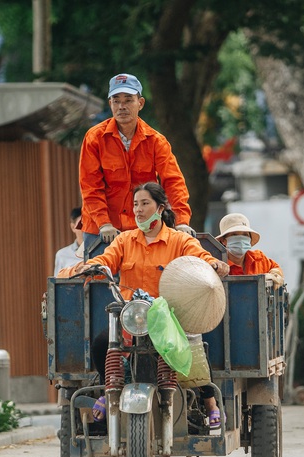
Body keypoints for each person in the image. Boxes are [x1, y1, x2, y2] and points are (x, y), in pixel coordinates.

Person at [58, 182, 228, 426]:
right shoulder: (125, 240)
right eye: (135, 204)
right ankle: (110, 392)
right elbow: (107, 260)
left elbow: (200, 256)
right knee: (100, 344)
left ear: (160, 208)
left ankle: (210, 402)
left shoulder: (179, 240)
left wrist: (212, 264)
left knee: (192, 348)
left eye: (145, 203)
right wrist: (89, 267)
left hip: (169, 317)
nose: (138, 210)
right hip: (133, 318)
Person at [79, 73, 194, 259]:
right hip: (101, 231)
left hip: (143, 228)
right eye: (116, 101)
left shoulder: (156, 141)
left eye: (128, 100)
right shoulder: (94, 138)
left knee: (145, 283)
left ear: (140, 103)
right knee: (99, 282)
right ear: (110, 104)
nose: (121, 106)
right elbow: (90, 186)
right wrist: (104, 224)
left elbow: (174, 182)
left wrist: (181, 221)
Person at [215, 213, 284, 287]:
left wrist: (274, 274)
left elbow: (275, 268)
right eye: (234, 234)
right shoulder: (217, 265)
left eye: (245, 235)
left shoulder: (259, 259)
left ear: (249, 239)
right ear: (223, 240)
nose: (241, 239)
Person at [54, 207, 84, 275]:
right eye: (82, 224)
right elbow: (58, 282)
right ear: (73, 227)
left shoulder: (103, 252)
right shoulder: (62, 255)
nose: (86, 229)